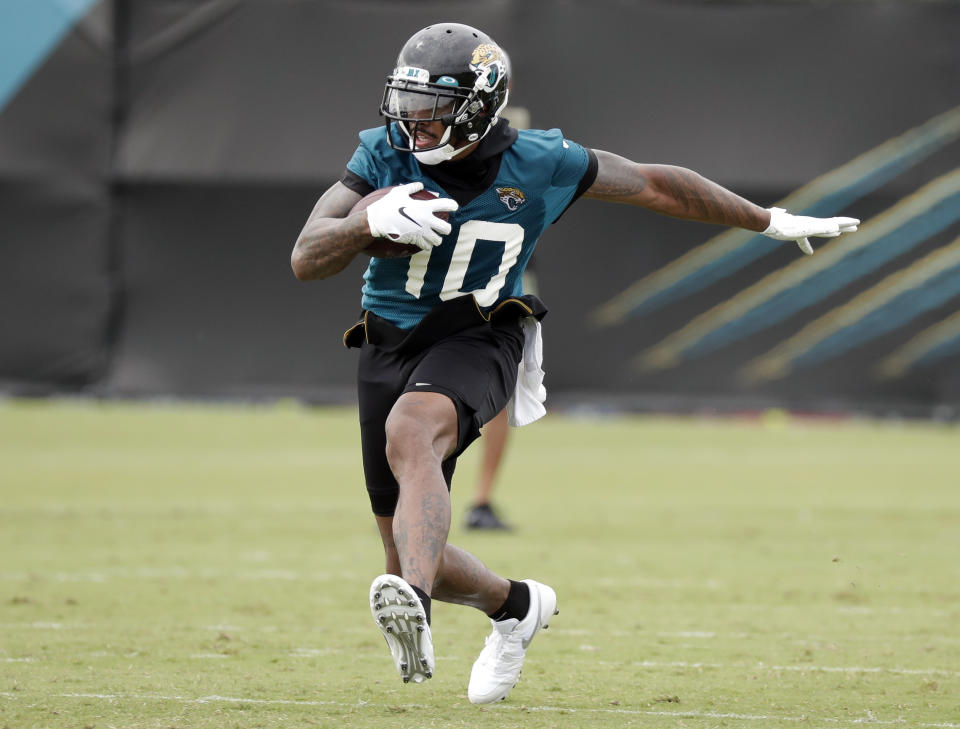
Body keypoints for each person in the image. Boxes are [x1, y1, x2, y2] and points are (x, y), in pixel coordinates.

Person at [290, 22, 858, 704]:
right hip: (387, 342)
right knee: (422, 551)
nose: (412, 121)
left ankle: (411, 603)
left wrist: (766, 220)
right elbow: (305, 256)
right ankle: (516, 607)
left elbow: (655, 184)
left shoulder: (542, 160)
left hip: (482, 332)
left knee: (413, 434)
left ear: (479, 104)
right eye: (406, 101)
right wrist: (363, 226)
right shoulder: (382, 154)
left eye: (431, 105)